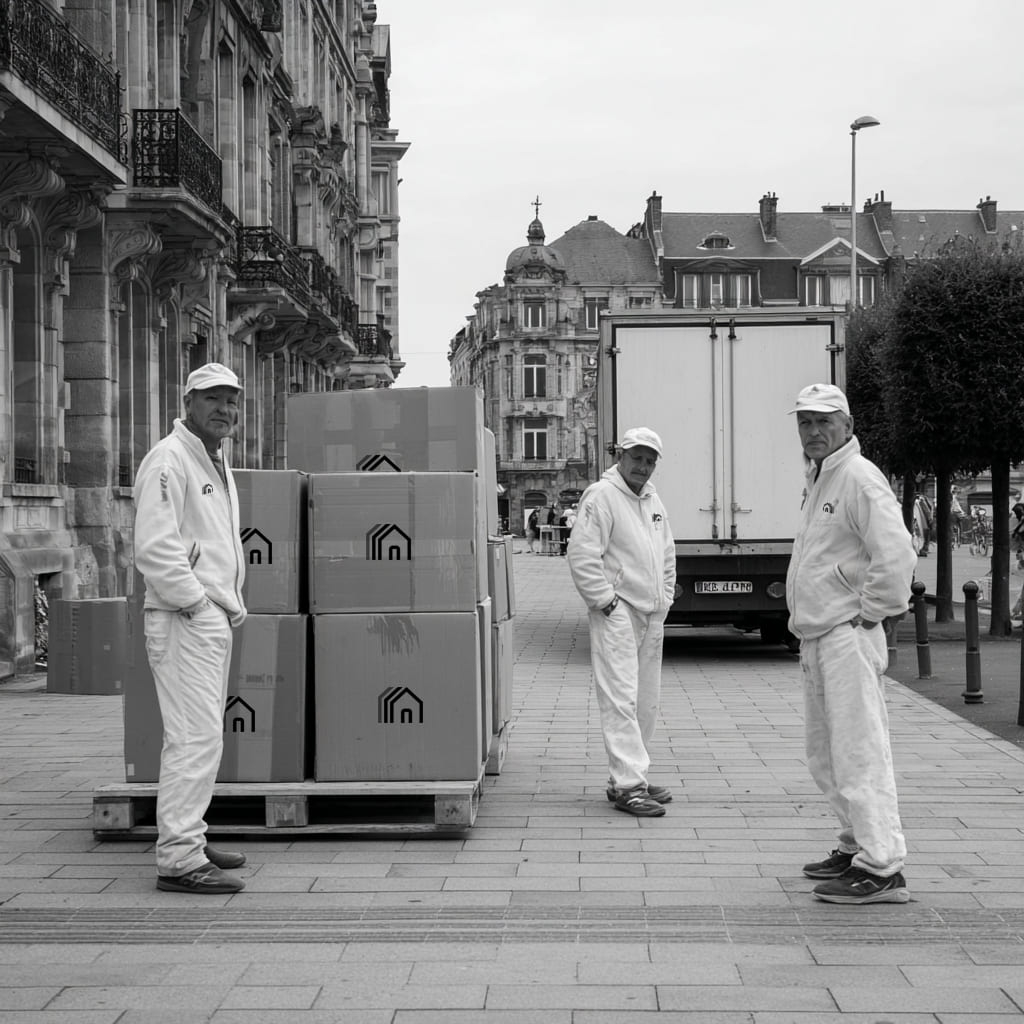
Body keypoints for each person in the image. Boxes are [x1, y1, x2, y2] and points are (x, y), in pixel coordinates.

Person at [786, 383, 916, 904]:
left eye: (824, 421)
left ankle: (882, 865)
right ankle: (856, 842)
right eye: (805, 422)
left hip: (846, 633)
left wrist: (873, 611)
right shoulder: (822, 476)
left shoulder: (859, 477)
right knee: (826, 755)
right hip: (821, 632)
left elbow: (896, 551)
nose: (813, 431)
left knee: (858, 752)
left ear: (847, 426)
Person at [133, 363, 248, 894]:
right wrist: (196, 603)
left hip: (207, 615)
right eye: (212, 399)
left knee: (203, 737)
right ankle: (179, 859)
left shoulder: (212, 459)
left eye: (231, 400)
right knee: (192, 738)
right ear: (188, 402)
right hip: (186, 617)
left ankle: (190, 838)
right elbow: (155, 546)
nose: (224, 409)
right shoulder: (170, 458)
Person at [567, 427, 676, 817]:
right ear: (621, 457)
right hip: (619, 612)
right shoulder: (602, 496)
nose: (642, 466)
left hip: (651, 614)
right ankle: (629, 785)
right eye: (637, 458)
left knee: (646, 701)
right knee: (620, 699)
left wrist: (664, 599)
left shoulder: (652, 499)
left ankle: (632, 776)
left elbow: (666, 553)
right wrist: (605, 602)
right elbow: (582, 554)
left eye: (649, 460)